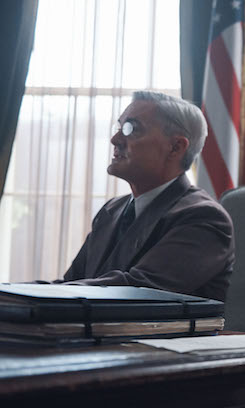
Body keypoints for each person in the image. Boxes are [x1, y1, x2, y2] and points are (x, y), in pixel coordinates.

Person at [53, 91, 235, 302]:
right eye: (119, 127)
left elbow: (137, 290)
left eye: (131, 128)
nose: (115, 139)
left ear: (175, 147)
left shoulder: (203, 217)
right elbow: (70, 283)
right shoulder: (112, 211)